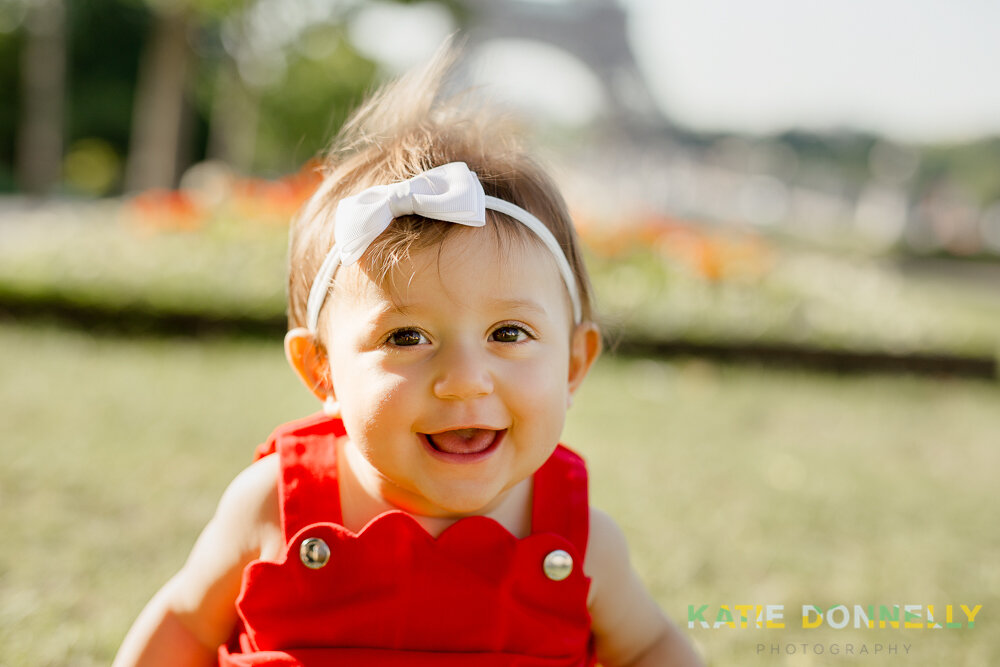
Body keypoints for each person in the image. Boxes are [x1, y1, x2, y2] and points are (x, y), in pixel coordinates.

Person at [113, 49, 703, 667]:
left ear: (574, 365)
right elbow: (183, 624)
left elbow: (650, 647)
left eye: (508, 332)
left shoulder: (577, 544)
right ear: (323, 371)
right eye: (406, 338)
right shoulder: (274, 508)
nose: (464, 382)